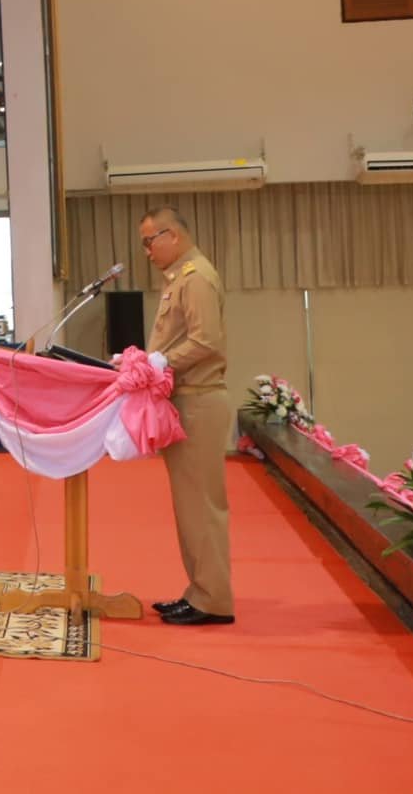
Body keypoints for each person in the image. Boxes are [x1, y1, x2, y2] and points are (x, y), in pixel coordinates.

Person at [139, 206, 235, 625]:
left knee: (202, 506)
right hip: (185, 401)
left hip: (198, 401)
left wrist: (160, 362)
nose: (147, 251)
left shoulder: (195, 278)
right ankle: (199, 591)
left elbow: (205, 340)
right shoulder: (180, 277)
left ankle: (213, 601)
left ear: (172, 236)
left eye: (150, 242)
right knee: (190, 506)